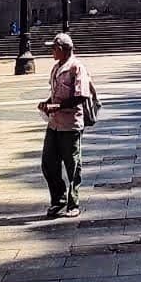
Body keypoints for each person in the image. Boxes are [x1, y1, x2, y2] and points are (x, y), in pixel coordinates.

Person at [37, 33, 92, 218]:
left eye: (53, 48)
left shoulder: (76, 68)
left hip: (70, 124)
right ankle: (58, 199)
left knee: (72, 164)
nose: (51, 52)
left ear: (61, 49)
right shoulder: (55, 68)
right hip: (54, 124)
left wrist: (57, 106)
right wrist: (47, 103)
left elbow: (81, 96)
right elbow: (55, 93)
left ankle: (73, 202)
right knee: (48, 163)